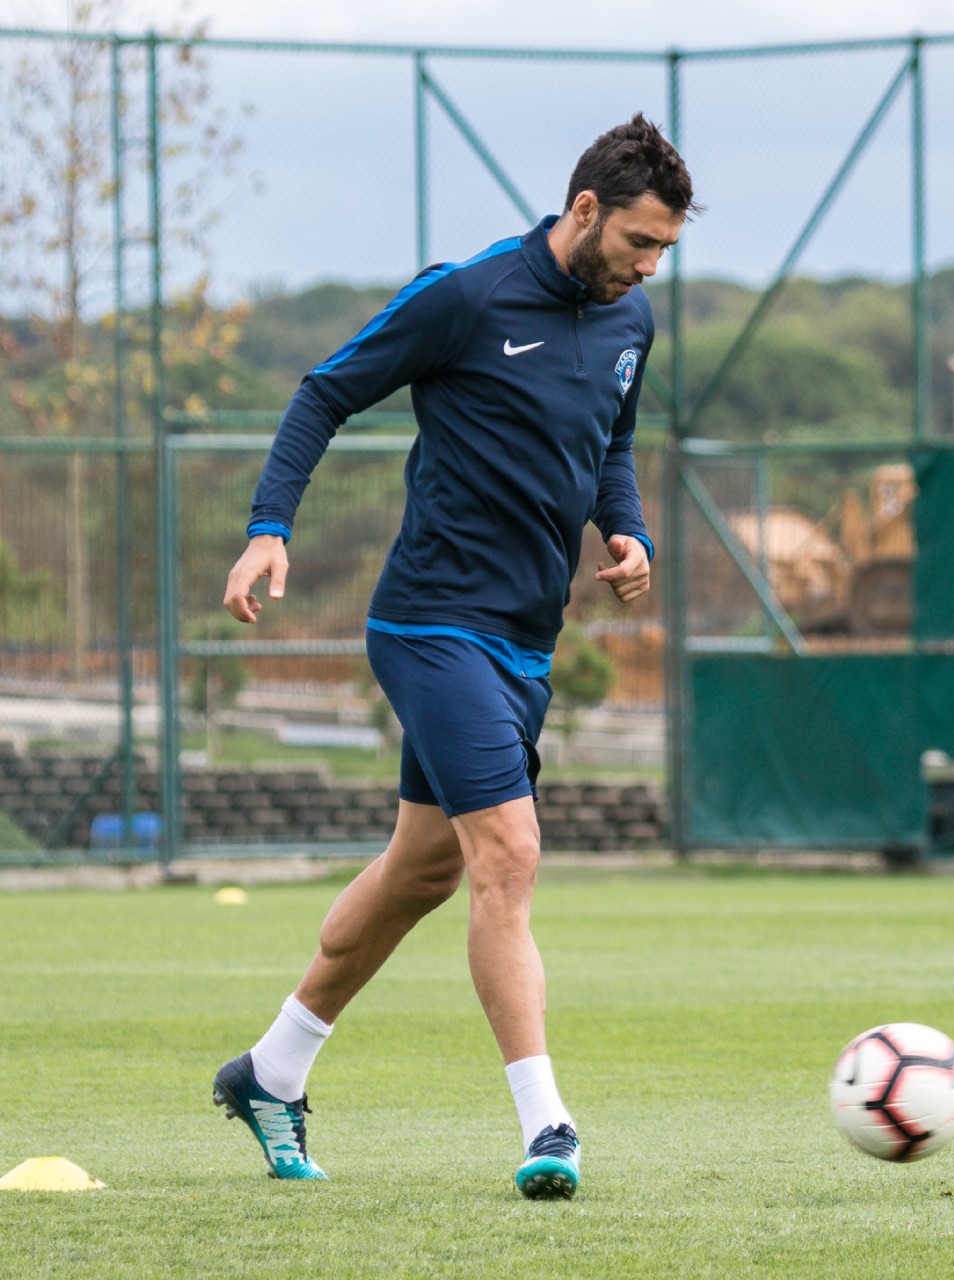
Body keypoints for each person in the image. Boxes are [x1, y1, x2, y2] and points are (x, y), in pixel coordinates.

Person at [211, 114, 697, 1200]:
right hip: (431, 624)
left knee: (422, 871)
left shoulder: (633, 319)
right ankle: (548, 1124)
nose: (650, 267)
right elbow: (324, 390)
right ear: (585, 211)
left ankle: (271, 1071)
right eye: (639, 243)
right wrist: (269, 527)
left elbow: (610, 444)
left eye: (665, 249)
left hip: (526, 642)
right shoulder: (468, 296)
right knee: (508, 855)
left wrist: (628, 532)